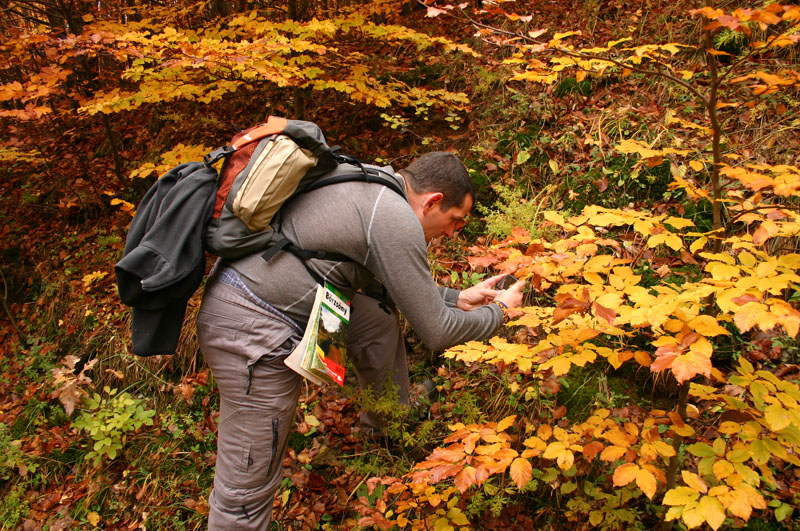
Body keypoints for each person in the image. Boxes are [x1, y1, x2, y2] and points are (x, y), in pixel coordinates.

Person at [196, 151, 526, 529]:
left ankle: (385, 427)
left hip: (277, 300)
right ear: (433, 201)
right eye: (454, 221)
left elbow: (391, 285)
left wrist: (457, 297)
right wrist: (500, 313)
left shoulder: (376, 185)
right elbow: (437, 332)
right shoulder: (393, 218)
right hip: (252, 328)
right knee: (247, 484)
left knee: (375, 317)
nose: (452, 232)